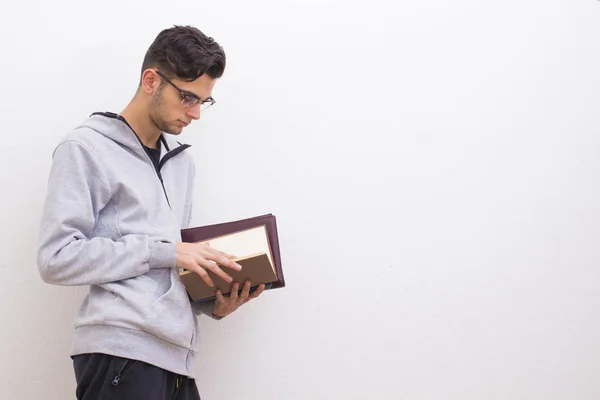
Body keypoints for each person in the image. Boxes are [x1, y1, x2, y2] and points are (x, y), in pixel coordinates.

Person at [36, 25, 265, 400]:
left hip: (177, 360)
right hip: (120, 354)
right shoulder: (86, 148)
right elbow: (55, 258)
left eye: (203, 102)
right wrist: (170, 251)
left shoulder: (182, 163)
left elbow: (167, 268)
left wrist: (213, 302)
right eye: (188, 98)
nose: (195, 114)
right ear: (150, 80)